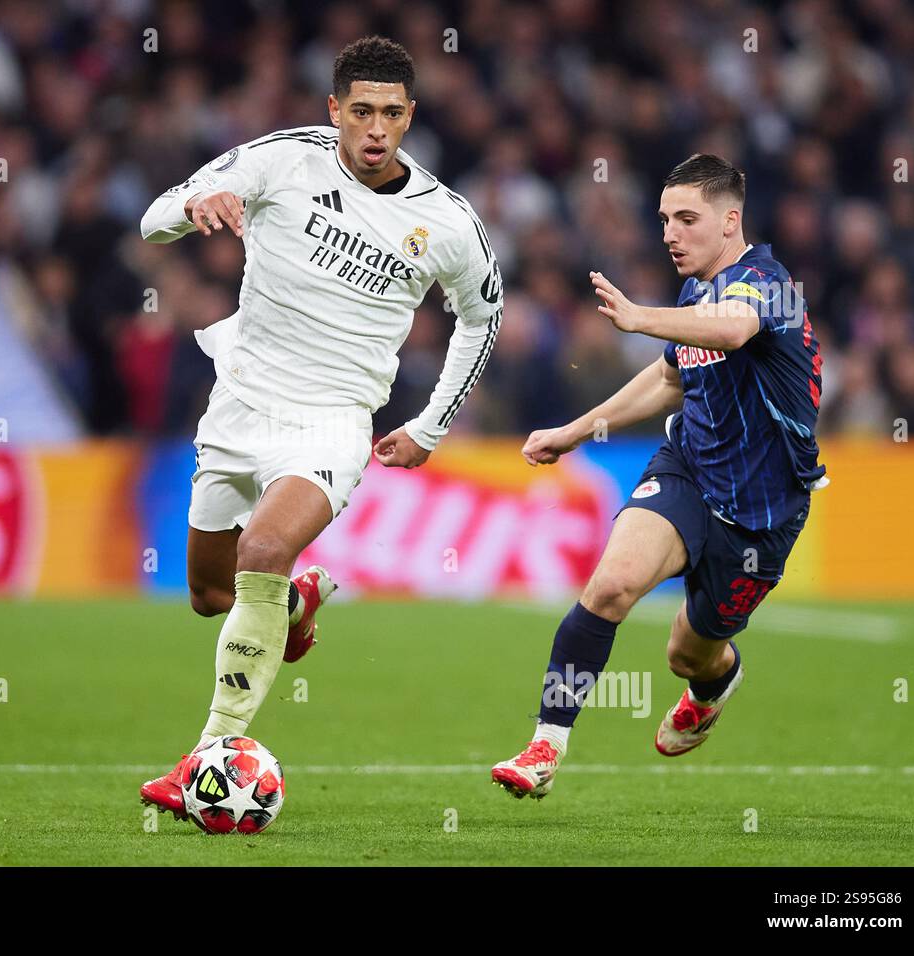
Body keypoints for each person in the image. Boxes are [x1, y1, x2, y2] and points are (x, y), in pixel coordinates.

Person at [137, 36, 504, 821]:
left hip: (332, 423)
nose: (376, 129)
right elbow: (153, 219)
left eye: (392, 114)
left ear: (411, 116)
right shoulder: (279, 159)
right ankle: (295, 605)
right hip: (238, 403)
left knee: (263, 551)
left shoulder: (445, 221)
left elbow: (483, 316)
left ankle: (209, 752)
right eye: (361, 111)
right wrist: (195, 208)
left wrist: (431, 425)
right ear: (334, 110)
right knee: (208, 592)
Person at [492, 154, 826, 800]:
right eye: (665, 219)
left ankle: (714, 684)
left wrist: (639, 318)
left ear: (731, 221)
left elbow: (732, 329)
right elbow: (672, 377)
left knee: (687, 653)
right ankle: (545, 746)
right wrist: (575, 430)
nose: (671, 233)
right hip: (688, 471)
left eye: (687, 219)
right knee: (612, 586)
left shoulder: (771, 285)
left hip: (763, 515)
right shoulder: (695, 290)